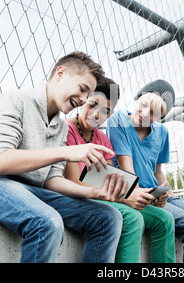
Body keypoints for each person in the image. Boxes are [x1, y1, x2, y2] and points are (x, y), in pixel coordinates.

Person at [0, 51, 128, 263]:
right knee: (47, 222)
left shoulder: (61, 127)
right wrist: (65, 152)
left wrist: (92, 192)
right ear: (60, 74)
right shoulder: (15, 100)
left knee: (108, 217)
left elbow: (52, 180)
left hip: (32, 191)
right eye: (82, 89)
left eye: (87, 95)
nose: (82, 100)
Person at [45, 77, 176, 263]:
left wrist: (147, 196)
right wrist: (125, 197)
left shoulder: (103, 140)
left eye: (105, 111)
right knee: (132, 218)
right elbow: (74, 180)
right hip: (78, 196)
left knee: (164, 219)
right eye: (92, 105)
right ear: (82, 102)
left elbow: (114, 181)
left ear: (110, 113)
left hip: (103, 195)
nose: (96, 115)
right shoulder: (67, 130)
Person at [107, 79, 184, 263]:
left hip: (157, 194)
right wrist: (150, 195)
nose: (144, 114)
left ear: (159, 117)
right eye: (143, 106)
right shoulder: (119, 120)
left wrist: (169, 196)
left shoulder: (161, 133)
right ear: (137, 99)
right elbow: (127, 168)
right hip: (136, 192)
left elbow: (158, 172)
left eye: (153, 113)